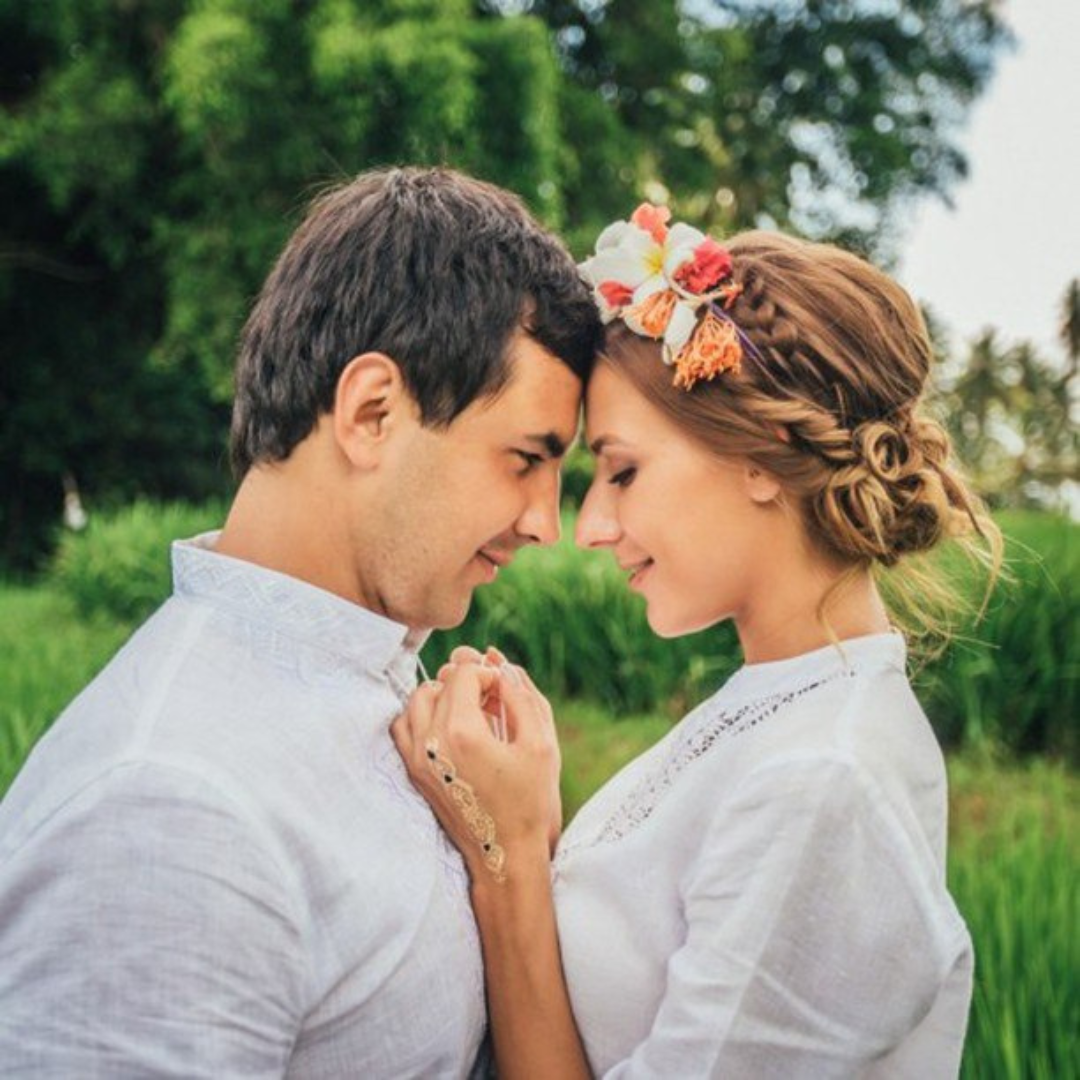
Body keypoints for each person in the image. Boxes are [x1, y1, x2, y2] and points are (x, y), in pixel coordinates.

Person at [0, 167, 601, 1076]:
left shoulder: (384, 687)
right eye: (525, 458)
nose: (543, 523)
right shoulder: (165, 810)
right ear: (371, 413)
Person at [393, 204, 1001, 1078]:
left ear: (759, 454)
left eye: (623, 471)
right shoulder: (786, 702)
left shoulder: (822, 782)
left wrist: (508, 854)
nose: (592, 525)